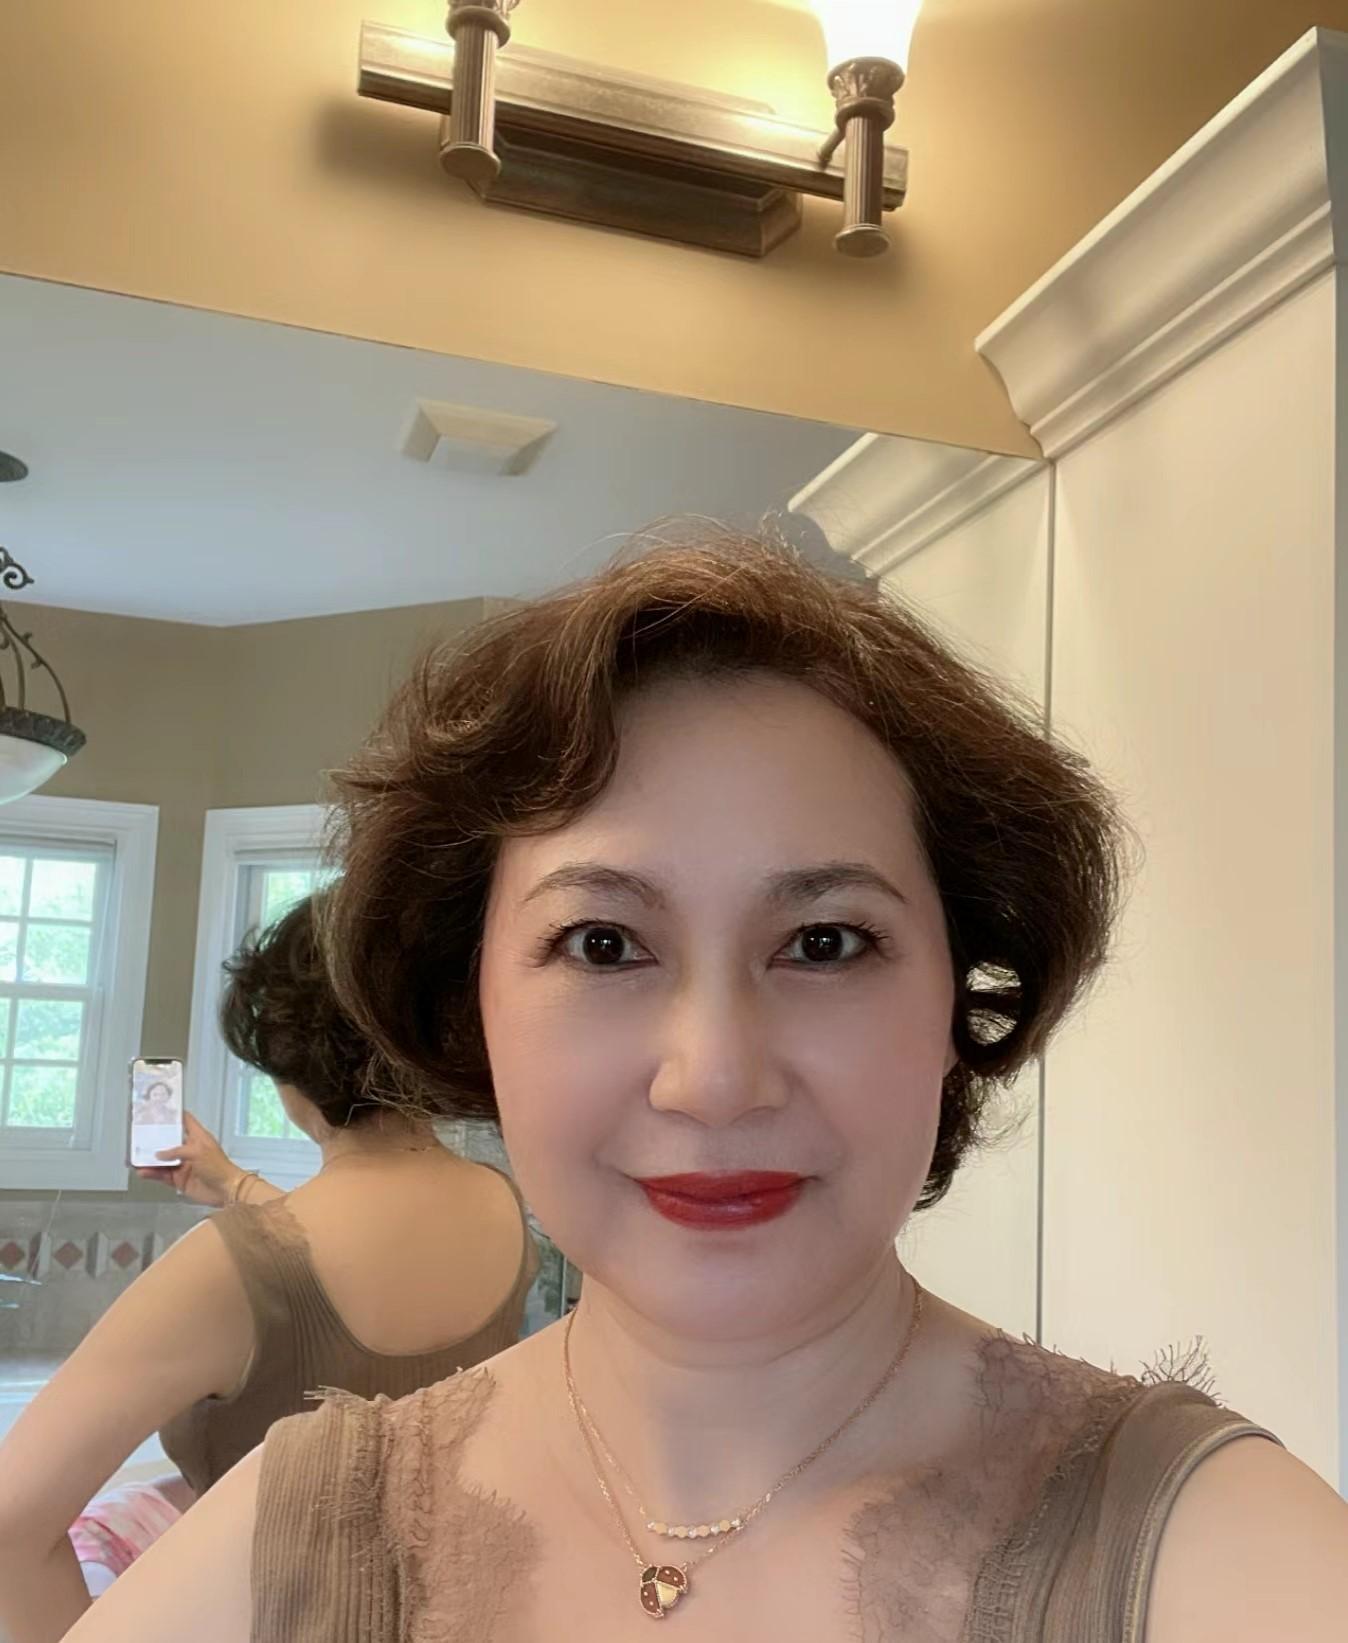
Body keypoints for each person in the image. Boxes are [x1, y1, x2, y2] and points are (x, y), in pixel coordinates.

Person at [61, 539, 1348, 1643]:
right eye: (603, 944)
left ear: (958, 999)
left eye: (825, 941)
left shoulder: (1212, 1551)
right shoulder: (289, 1544)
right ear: (473, 1006)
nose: (716, 1078)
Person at [0, 893, 537, 1643]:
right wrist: (231, 1181)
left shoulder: (228, 1265)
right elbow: (352, 1261)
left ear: (285, 1064)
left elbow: (12, 1525)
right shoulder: (504, 1205)